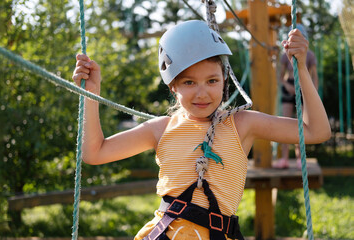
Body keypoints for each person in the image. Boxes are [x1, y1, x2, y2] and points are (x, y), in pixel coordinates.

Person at [72, 20, 330, 240]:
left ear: (224, 80)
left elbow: (316, 132)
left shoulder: (242, 124)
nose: (202, 92)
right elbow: (95, 153)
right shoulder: (161, 129)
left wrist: (302, 69)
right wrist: (91, 94)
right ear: (173, 86)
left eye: (212, 81)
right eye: (189, 82)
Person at [274, 24, 319, 169]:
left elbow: (314, 76)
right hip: (290, 86)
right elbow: (280, 76)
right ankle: (284, 158)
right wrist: (287, 86)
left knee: (302, 124)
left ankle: (300, 158)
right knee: (285, 123)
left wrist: (313, 95)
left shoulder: (310, 55)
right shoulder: (284, 55)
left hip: (303, 88)